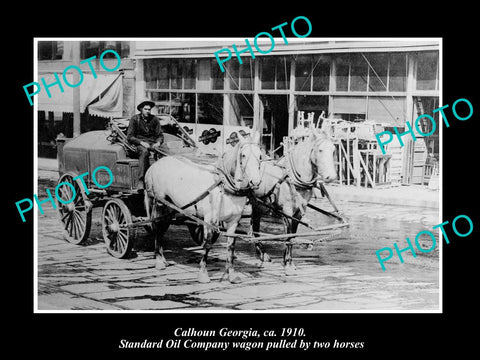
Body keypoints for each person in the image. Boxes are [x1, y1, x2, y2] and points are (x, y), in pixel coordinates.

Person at [127, 99, 164, 190]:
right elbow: (130, 137)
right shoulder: (134, 119)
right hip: (139, 143)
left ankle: (161, 179)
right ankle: (141, 180)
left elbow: (160, 135)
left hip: (152, 143)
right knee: (144, 152)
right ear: (141, 109)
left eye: (149, 109)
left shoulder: (154, 119)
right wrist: (141, 143)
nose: (147, 111)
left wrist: (158, 143)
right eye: (145, 109)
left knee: (164, 152)